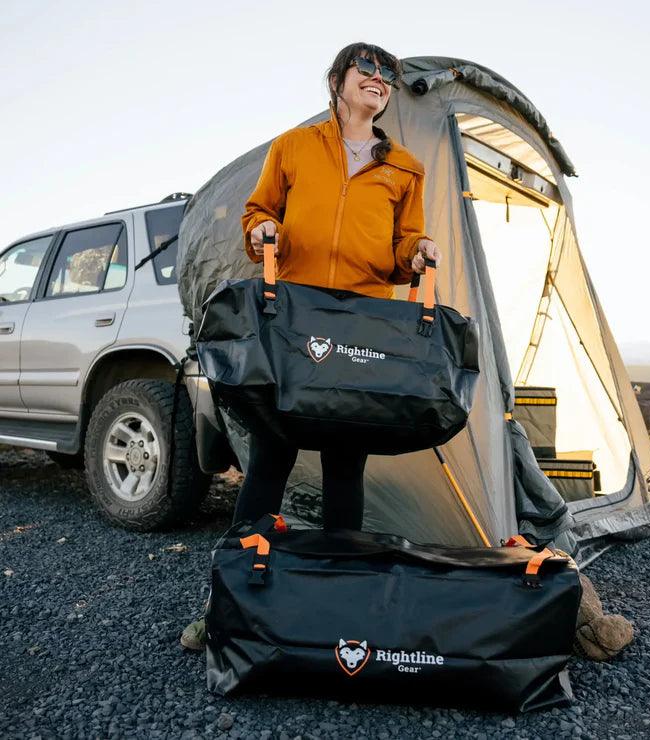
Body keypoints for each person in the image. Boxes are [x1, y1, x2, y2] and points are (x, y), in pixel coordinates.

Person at [181, 41, 440, 650]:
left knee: (346, 465)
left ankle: (338, 609)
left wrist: (417, 251)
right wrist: (261, 229)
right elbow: (257, 211)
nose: (379, 78)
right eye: (366, 67)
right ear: (338, 80)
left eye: (387, 73)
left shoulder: (406, 168)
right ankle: (226, 605)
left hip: (361, 326)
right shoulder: (294, 147)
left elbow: (403, 244)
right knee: (270, 457)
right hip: (294, 320)